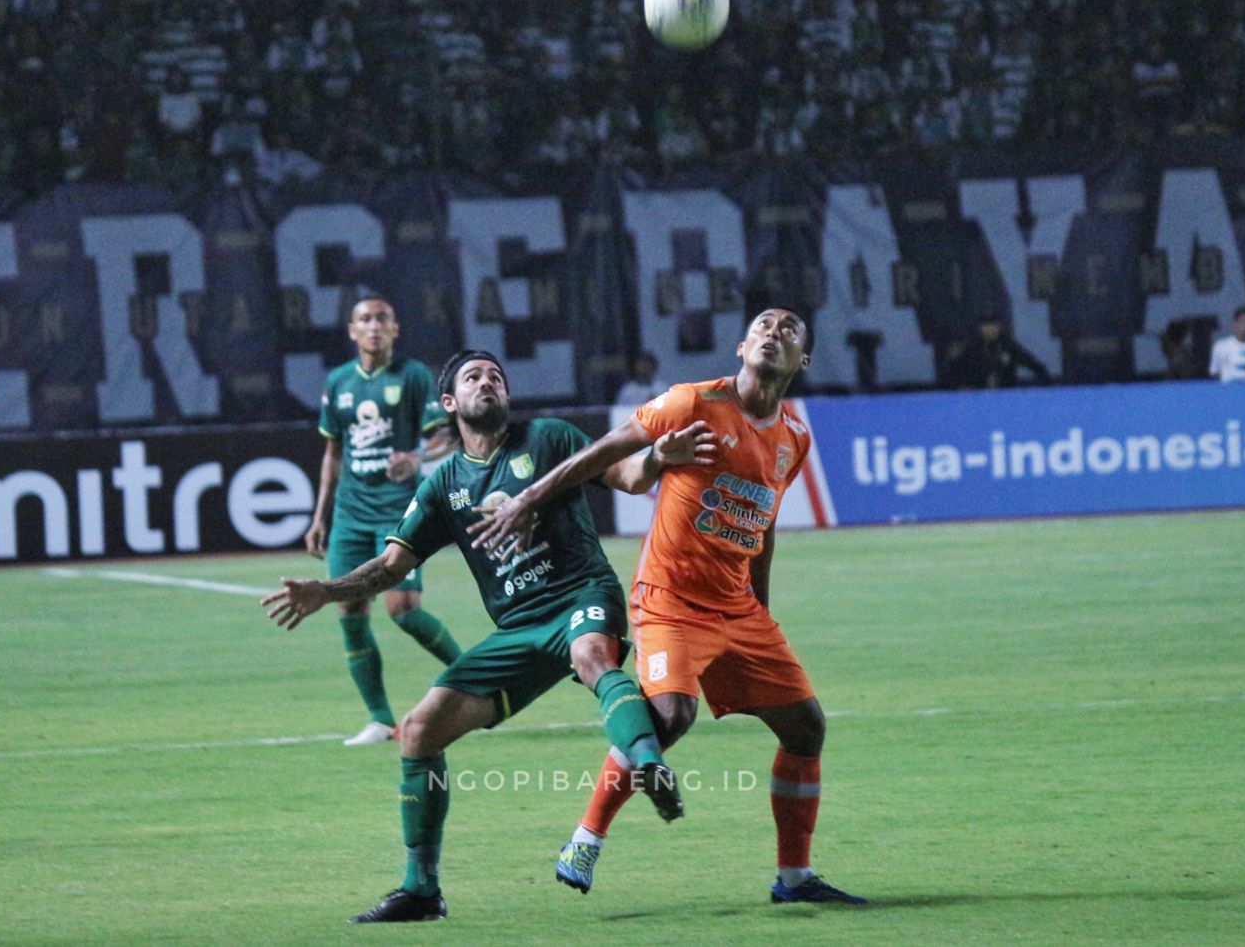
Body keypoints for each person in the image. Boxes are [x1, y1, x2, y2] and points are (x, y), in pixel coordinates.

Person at [264, 349, 713, 923]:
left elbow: (627, 476)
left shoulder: (547, 438)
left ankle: (649, 764)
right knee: (420, 731)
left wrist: (657, 457)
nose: (488, 383)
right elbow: (392, 567)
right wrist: (327, 590)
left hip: (581, 596)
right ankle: (421, 890)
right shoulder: (444, 485)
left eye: (496, 376)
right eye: (474, 378)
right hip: (519, 628)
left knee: (591, 653)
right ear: (449, 403)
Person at [471, 308, 868, 907]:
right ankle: (585, 838)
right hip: (671, 600)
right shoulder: (691, 403)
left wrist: (759, 610)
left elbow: (763, 523)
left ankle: (794, 879)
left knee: (806, 728)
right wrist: (529, 498)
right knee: (672, 716)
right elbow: (605, 451)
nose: (774, 332)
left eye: (789, 329)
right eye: (763, 324)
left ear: (803, 361)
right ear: (741, 346)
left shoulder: (795, 438)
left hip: (738, 609)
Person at [306, 296, 461, 745]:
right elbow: (333, 452)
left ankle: (474, 674)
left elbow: (445, 436)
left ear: (396, 329)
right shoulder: (338, 382)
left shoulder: (413, 376)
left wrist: (415, 457)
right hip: (351, 514)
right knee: (350, 609)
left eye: (383, 320)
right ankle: (379, 719)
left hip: (398, 509)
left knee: (403, 610)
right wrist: (321, 516)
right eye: (365, 320)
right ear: (352, 331)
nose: (374, 327)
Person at [947, 314, 1051, 388]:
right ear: (980, 328)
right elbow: (953, 372)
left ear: (999, 327)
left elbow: (1034, 365)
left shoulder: (1008, 346)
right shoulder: (971, 348)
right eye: (986, 326)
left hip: (1006, 396)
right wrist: (964, 387)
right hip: (977, 397)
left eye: (993, 325)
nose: (990, 329)